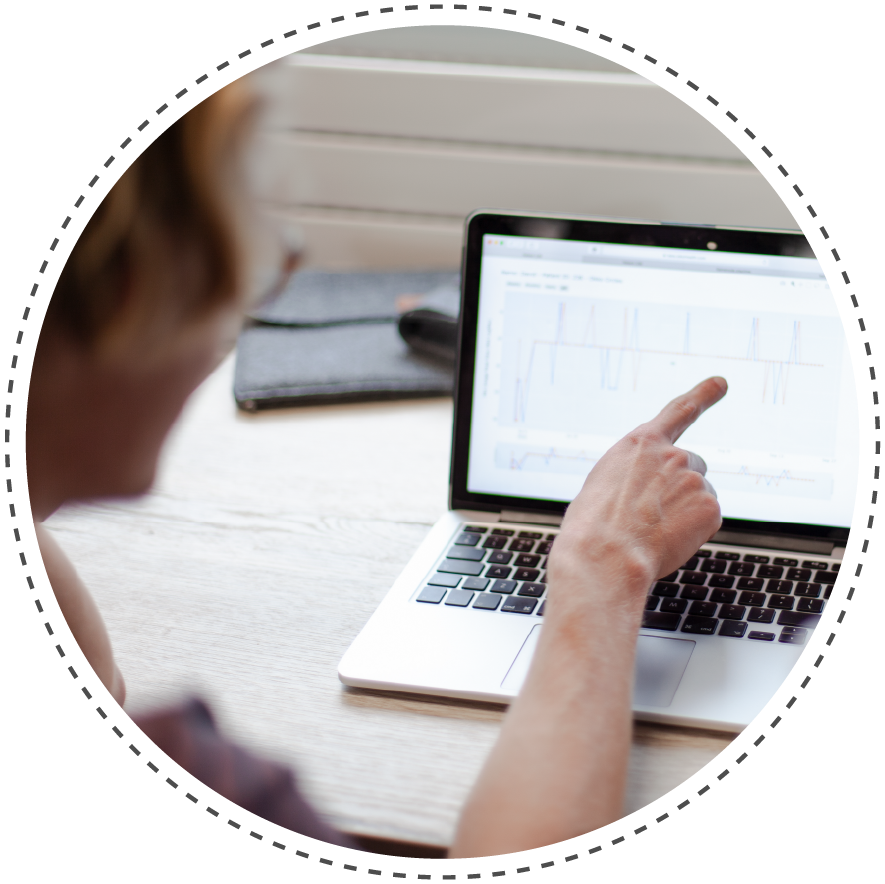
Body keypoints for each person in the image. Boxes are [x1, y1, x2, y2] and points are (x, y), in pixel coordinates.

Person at [25, 77, 727, 857]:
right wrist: (601, 564)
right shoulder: (221, 779)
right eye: (245, 232)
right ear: (132, 290)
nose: (281, 263)